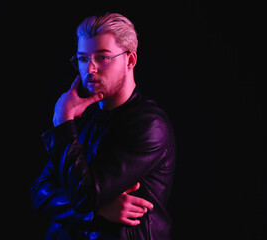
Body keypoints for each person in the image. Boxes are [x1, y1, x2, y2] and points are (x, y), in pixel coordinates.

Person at [31, 13, 176, 239]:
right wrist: (96, 213)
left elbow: (84, 196)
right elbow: (41, 192)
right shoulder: (82, 117)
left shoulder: (149, 125)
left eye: (102, 58)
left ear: (130, 60)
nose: (89, 70)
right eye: (82, 58)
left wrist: (63, 123)